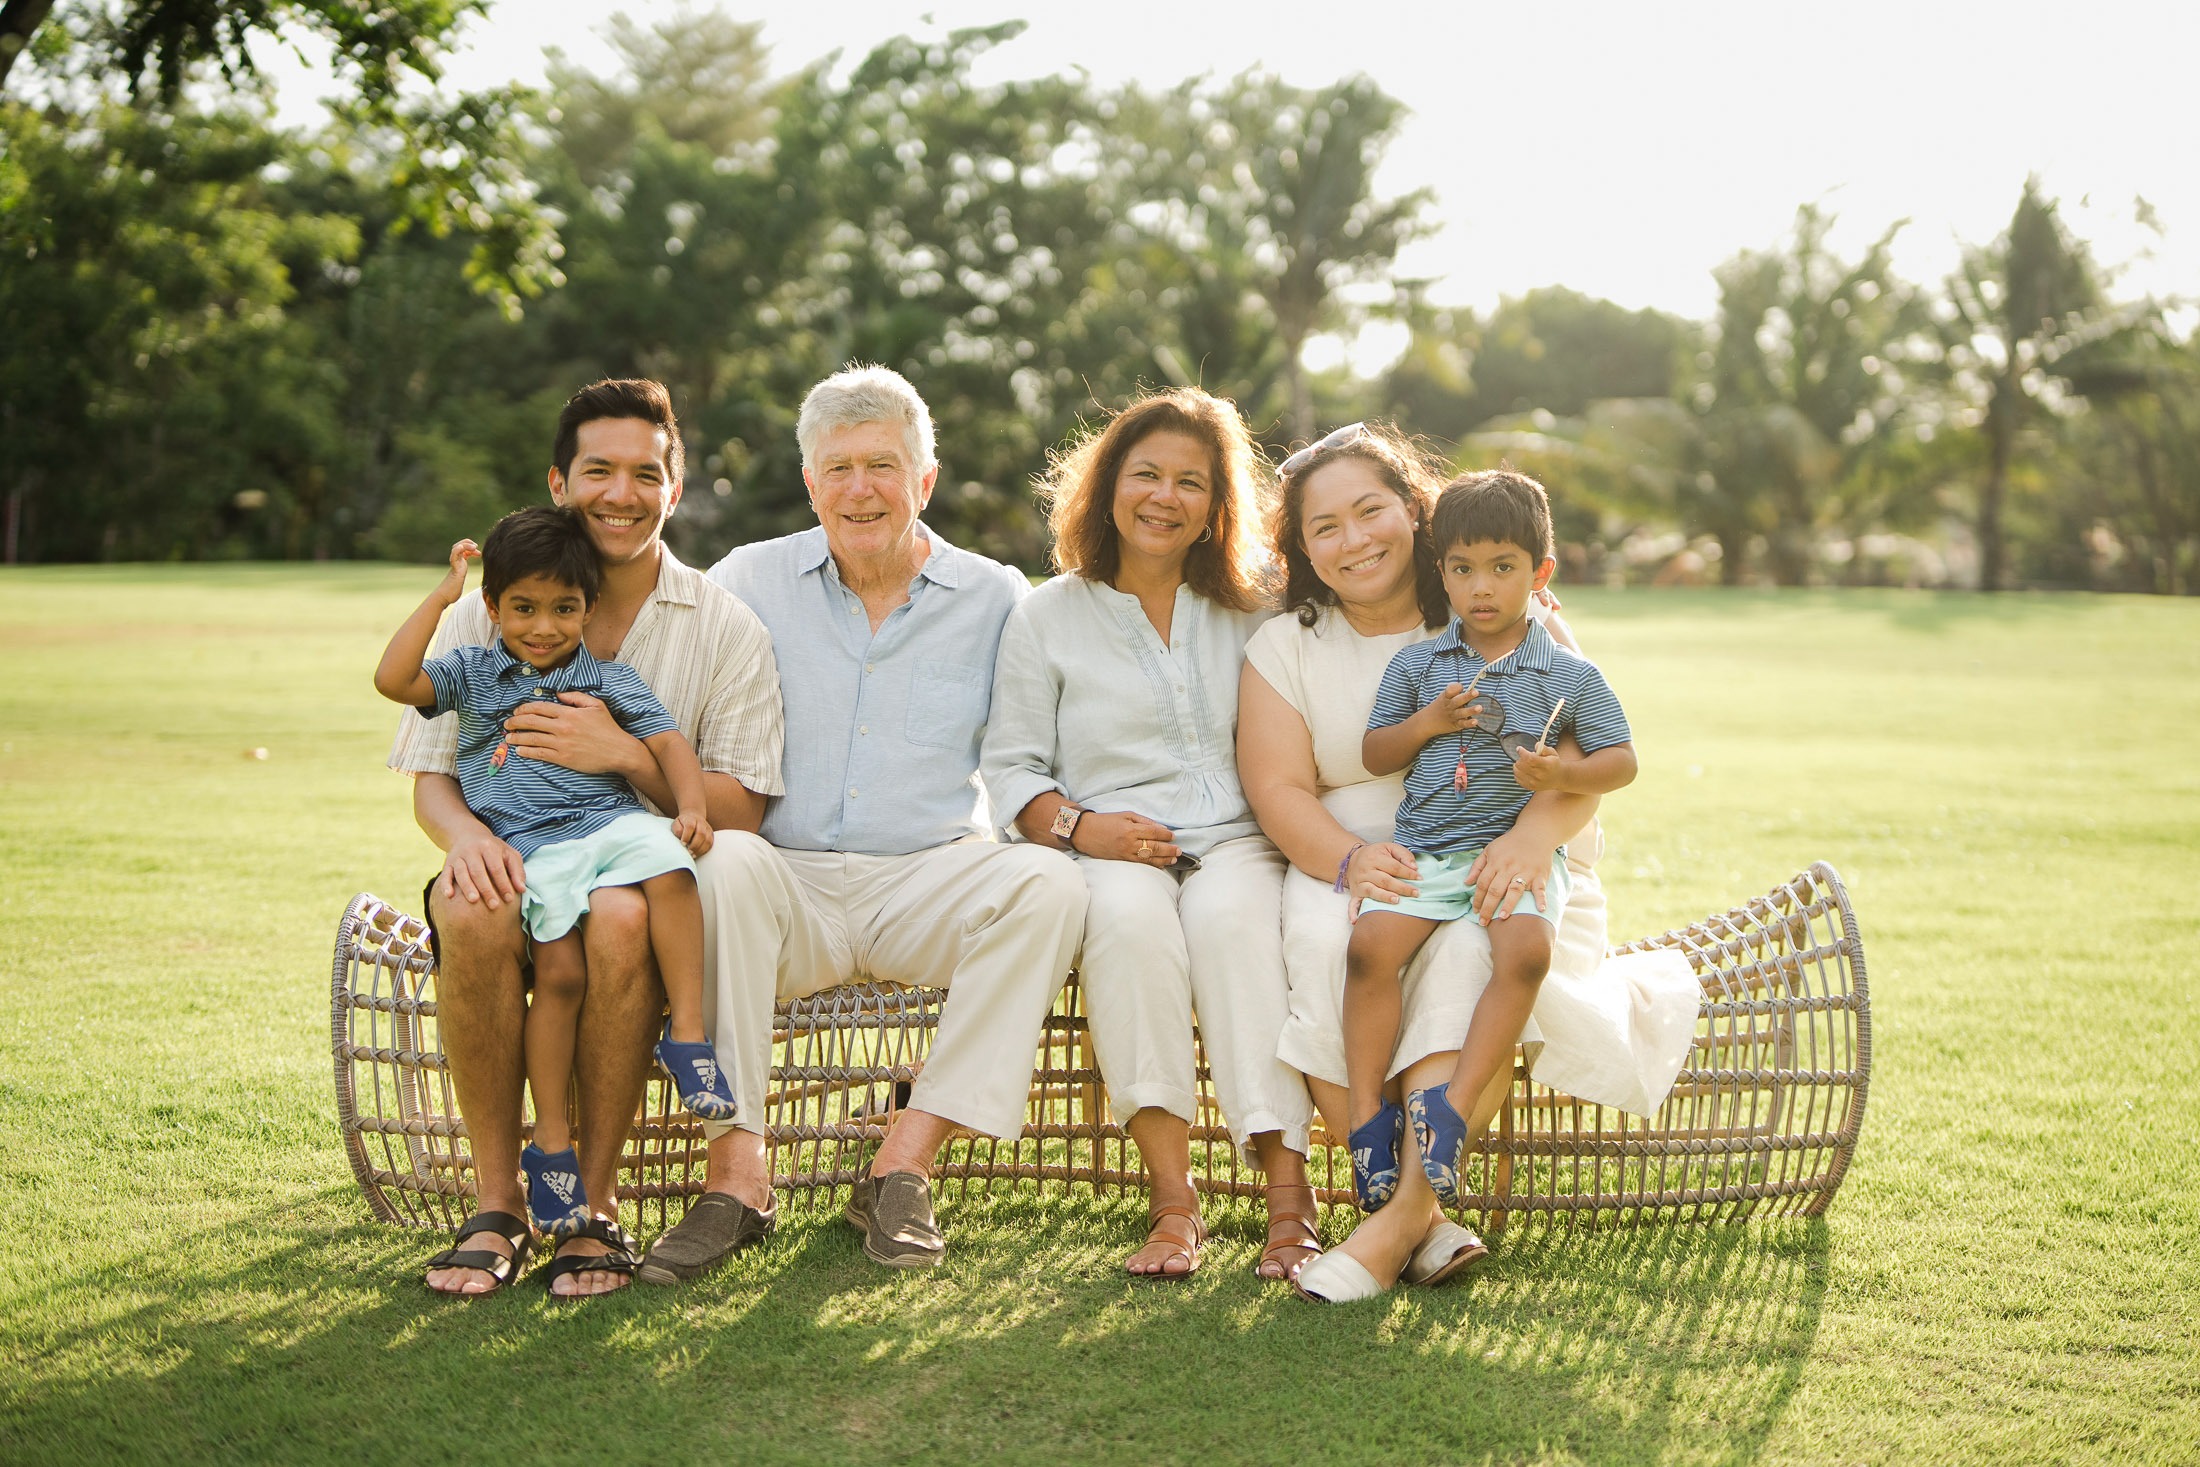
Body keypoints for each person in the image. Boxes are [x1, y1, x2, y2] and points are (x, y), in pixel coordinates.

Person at [637, 363, 1086, 1282]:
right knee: (721, 863)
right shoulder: (747, 580)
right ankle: (738, 1175)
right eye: (836, 468)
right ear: (809, 483)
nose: (859, 488)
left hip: (928, 877)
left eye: (883, 464)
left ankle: (902, 1162)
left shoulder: (998, 594)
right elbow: (668, 711)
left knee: (1050, 882)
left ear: (924, 479)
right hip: (785, 881)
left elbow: (1033, 750)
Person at [1236, 422, 1693, 1303]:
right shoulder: (1286, 643)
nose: (1353, 538)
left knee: (1466, 955)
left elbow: (1587, 757)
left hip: (1517, 840)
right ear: (1301, 544)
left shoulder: (1504, 604)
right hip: (1351, 856)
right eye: (1323, 526)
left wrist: (1530, 839)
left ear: (1416, 512)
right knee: (1331, 944)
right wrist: (1352, 859)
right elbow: (1280, 788)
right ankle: (1412, 1212)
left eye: (1370, 510)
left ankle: (1400, 1217)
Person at [390, 379, 784, 1298]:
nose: (621, 493)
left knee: (618, 919)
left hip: (628, 866)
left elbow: (742, 805)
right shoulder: (487, 602)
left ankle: (589, 1208)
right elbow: (429, 773)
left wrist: (624, 757)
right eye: (598, 470)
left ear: (674, 488)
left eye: (645, 473)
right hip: (513, 847)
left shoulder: (724, 626)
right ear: (560, 480)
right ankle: (498, 1203)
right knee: (473, 902)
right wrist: (464, 840)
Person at [981, 387, 1318, 1281]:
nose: (1165, 497)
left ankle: (1292, 1202)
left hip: (1239, 838)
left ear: (1217, 505)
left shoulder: (1258, 605)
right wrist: (1083, 828)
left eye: (1191, 482)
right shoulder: (1046, 613)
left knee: (1235, 928)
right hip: (1107, 844)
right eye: (1146, 475)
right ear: (1107, 486)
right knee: (1129, 930)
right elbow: (1012, 770)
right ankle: (1174, 1203)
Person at [373, 507, 735, 1248]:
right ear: (494, 608)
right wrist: (444, 595)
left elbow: (665, 741)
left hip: (605, 828)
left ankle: (688, 1036)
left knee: (671, 866)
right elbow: (393, 679)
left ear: (587, 608)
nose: (543, 627)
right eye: (524, 609)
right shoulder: (472, 673)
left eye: (564, 608)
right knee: (562, 978)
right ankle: (551, 1144)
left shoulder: (604, 677)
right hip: (531, 850)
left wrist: (692, 807)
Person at [1342, 471, 1636, 1214]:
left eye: (1503, 568)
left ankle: (1449, 1109)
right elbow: (1377, 752)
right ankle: (1367, 1119)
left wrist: (1558, 769)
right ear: (1439, 572)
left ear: (1540, 574)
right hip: (1430, 852)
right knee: (1368, 950)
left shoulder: (1569, 673)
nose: (1482, 588)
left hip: (1508, 854)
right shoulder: (1417, 667)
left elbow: (1621, 761)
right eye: (1463, 568)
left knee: (1526, 953)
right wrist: (1428, 724)